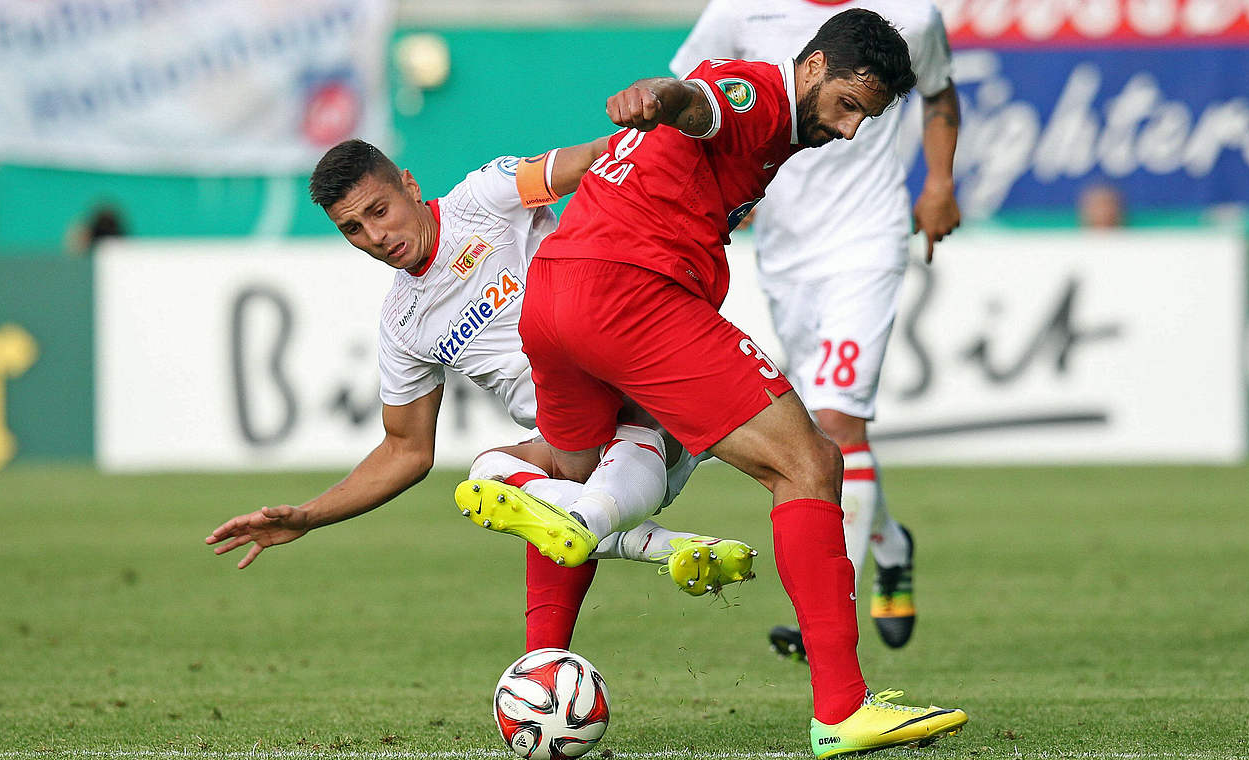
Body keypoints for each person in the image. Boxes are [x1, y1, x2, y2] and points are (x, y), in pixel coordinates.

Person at [452, 9, 967, 757]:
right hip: (635, 295)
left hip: (555, 294)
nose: (852, 131)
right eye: (848, 105)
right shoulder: (758, 92)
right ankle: (844, 708)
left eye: (870, 117)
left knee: (578, 473)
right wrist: (657, 99)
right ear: (814, 67)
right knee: (810, 462)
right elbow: (700, 101)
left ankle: (540, 676)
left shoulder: (787, 128)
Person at [204, 138, 758, 655]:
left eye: (379, 211)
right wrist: (307, 516)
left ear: (410, 186)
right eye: (352, 229)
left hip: (648, 401)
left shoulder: (484, 198)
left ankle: (620, 543)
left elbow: (600, 158)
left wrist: (711, 196)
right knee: (491, 476)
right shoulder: (404, 324)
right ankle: (633, 571)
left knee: (544, 495)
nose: (375, 236)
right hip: (581, 450)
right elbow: (406, 451)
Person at [670, 0, 962, 658]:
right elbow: (694, 98)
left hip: (868, 239)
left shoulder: (912, 17)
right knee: (825, 431)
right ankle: (889, 542)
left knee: (835, 423)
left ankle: (828, 616)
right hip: (783, 248)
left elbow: (941, 95)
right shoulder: (740, 9)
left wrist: (938, 182)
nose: (854, 126)